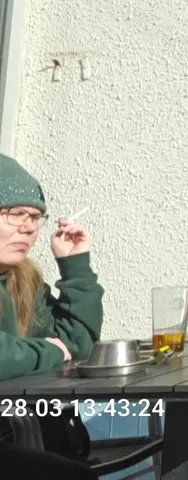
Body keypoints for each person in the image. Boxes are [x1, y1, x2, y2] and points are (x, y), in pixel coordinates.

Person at [0, 154, 103, 380]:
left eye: (35, 217)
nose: (29, 228)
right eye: (16, 214)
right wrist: (48, 352)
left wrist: (75, 268)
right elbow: (56, 350)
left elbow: (76, 345)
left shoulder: (22, 279)